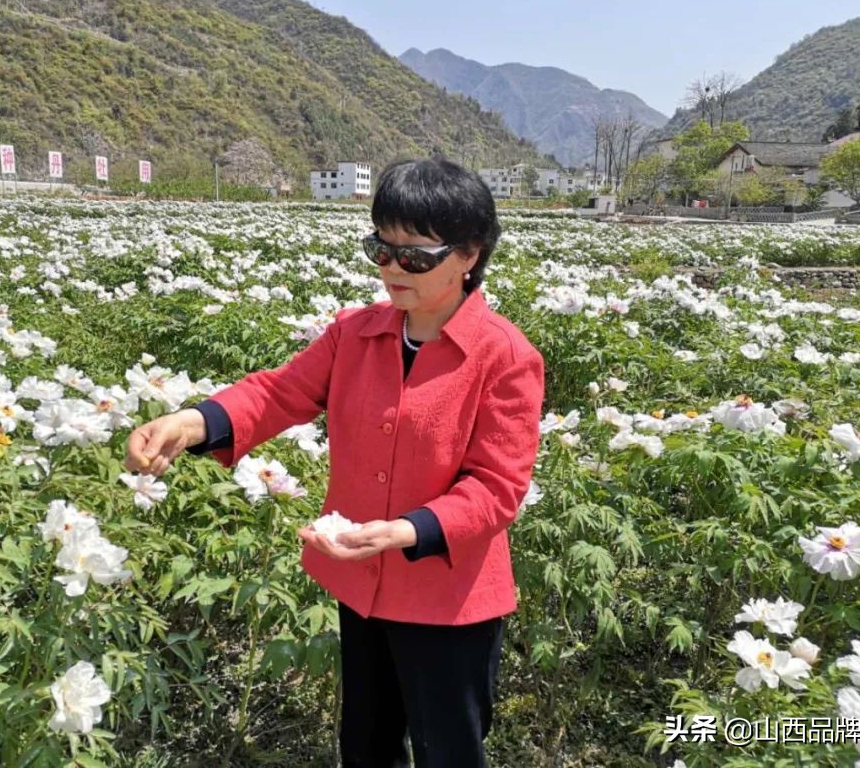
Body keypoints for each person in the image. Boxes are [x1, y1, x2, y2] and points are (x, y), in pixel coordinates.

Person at [124, 157, 545, 767]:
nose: (391, 268)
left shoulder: (503, 355)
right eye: (381, 246)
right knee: (367, 742)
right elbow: (278, 393)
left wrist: (406, 530)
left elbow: (497, 486)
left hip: (448, 596)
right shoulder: (355, 333)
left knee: (447, 749)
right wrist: (191, 422)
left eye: (415, 255)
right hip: (363, 584)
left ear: (469, 255)